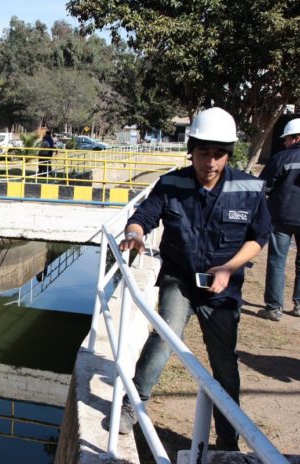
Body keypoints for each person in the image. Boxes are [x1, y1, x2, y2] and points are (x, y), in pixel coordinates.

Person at [116, 107, 272, 451]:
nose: (211, 162)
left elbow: (258, 237)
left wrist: (229, 268)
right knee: (165, 336)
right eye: (204, 152)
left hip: (222, 287)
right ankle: (132, 405)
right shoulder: (172, 185)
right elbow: (144, 215)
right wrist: (135, 233)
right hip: (180, 279)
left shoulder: (248, 188)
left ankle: (228, 438)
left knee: (224, 361)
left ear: (228, 154)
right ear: (192, 150)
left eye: (219, 154)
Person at [257, 118, 300, 321]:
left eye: (287, 139)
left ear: (296, 138)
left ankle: (274, 308)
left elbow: (264, 186)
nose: (284, 143)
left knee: (277, 261)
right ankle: (299, 304)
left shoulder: (281, 158)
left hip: (281, 217)